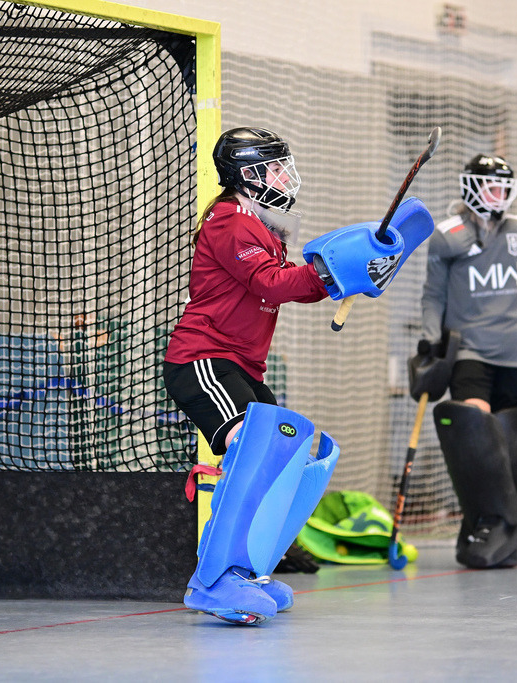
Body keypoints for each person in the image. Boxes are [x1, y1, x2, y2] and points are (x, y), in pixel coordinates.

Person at [163, 127, 410, 625]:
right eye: (275, 167)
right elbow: (272, 285)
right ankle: (213, 583)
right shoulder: (229, 221)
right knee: (251, 452)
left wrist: (346, 274)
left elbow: (290, 284)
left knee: (278, 457)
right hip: (204, 359)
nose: (284, 176)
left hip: (241, 366)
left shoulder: (261, 225)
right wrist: (331, 273)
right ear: (249, 175)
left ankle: (246, 570)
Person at [419, 153, 517, 569]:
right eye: (493, 187)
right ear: (472, 187)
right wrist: (429, 339)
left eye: (505, 188)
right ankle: (505, 520)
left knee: (514, 441)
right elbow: (433, 295)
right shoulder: (446, 235)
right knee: (475, 432)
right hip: (471, 350)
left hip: (515, 353)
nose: (500, 195)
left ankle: (500, 534)